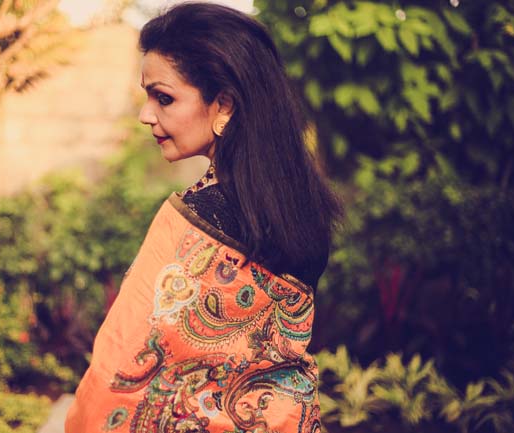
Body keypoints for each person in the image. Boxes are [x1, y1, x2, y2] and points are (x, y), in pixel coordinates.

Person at [65, 2, 342, 432]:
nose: (146, 115)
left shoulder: (197, 221)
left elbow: (118, 372)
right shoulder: (303, 208)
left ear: (224, 104)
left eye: (164, 97)